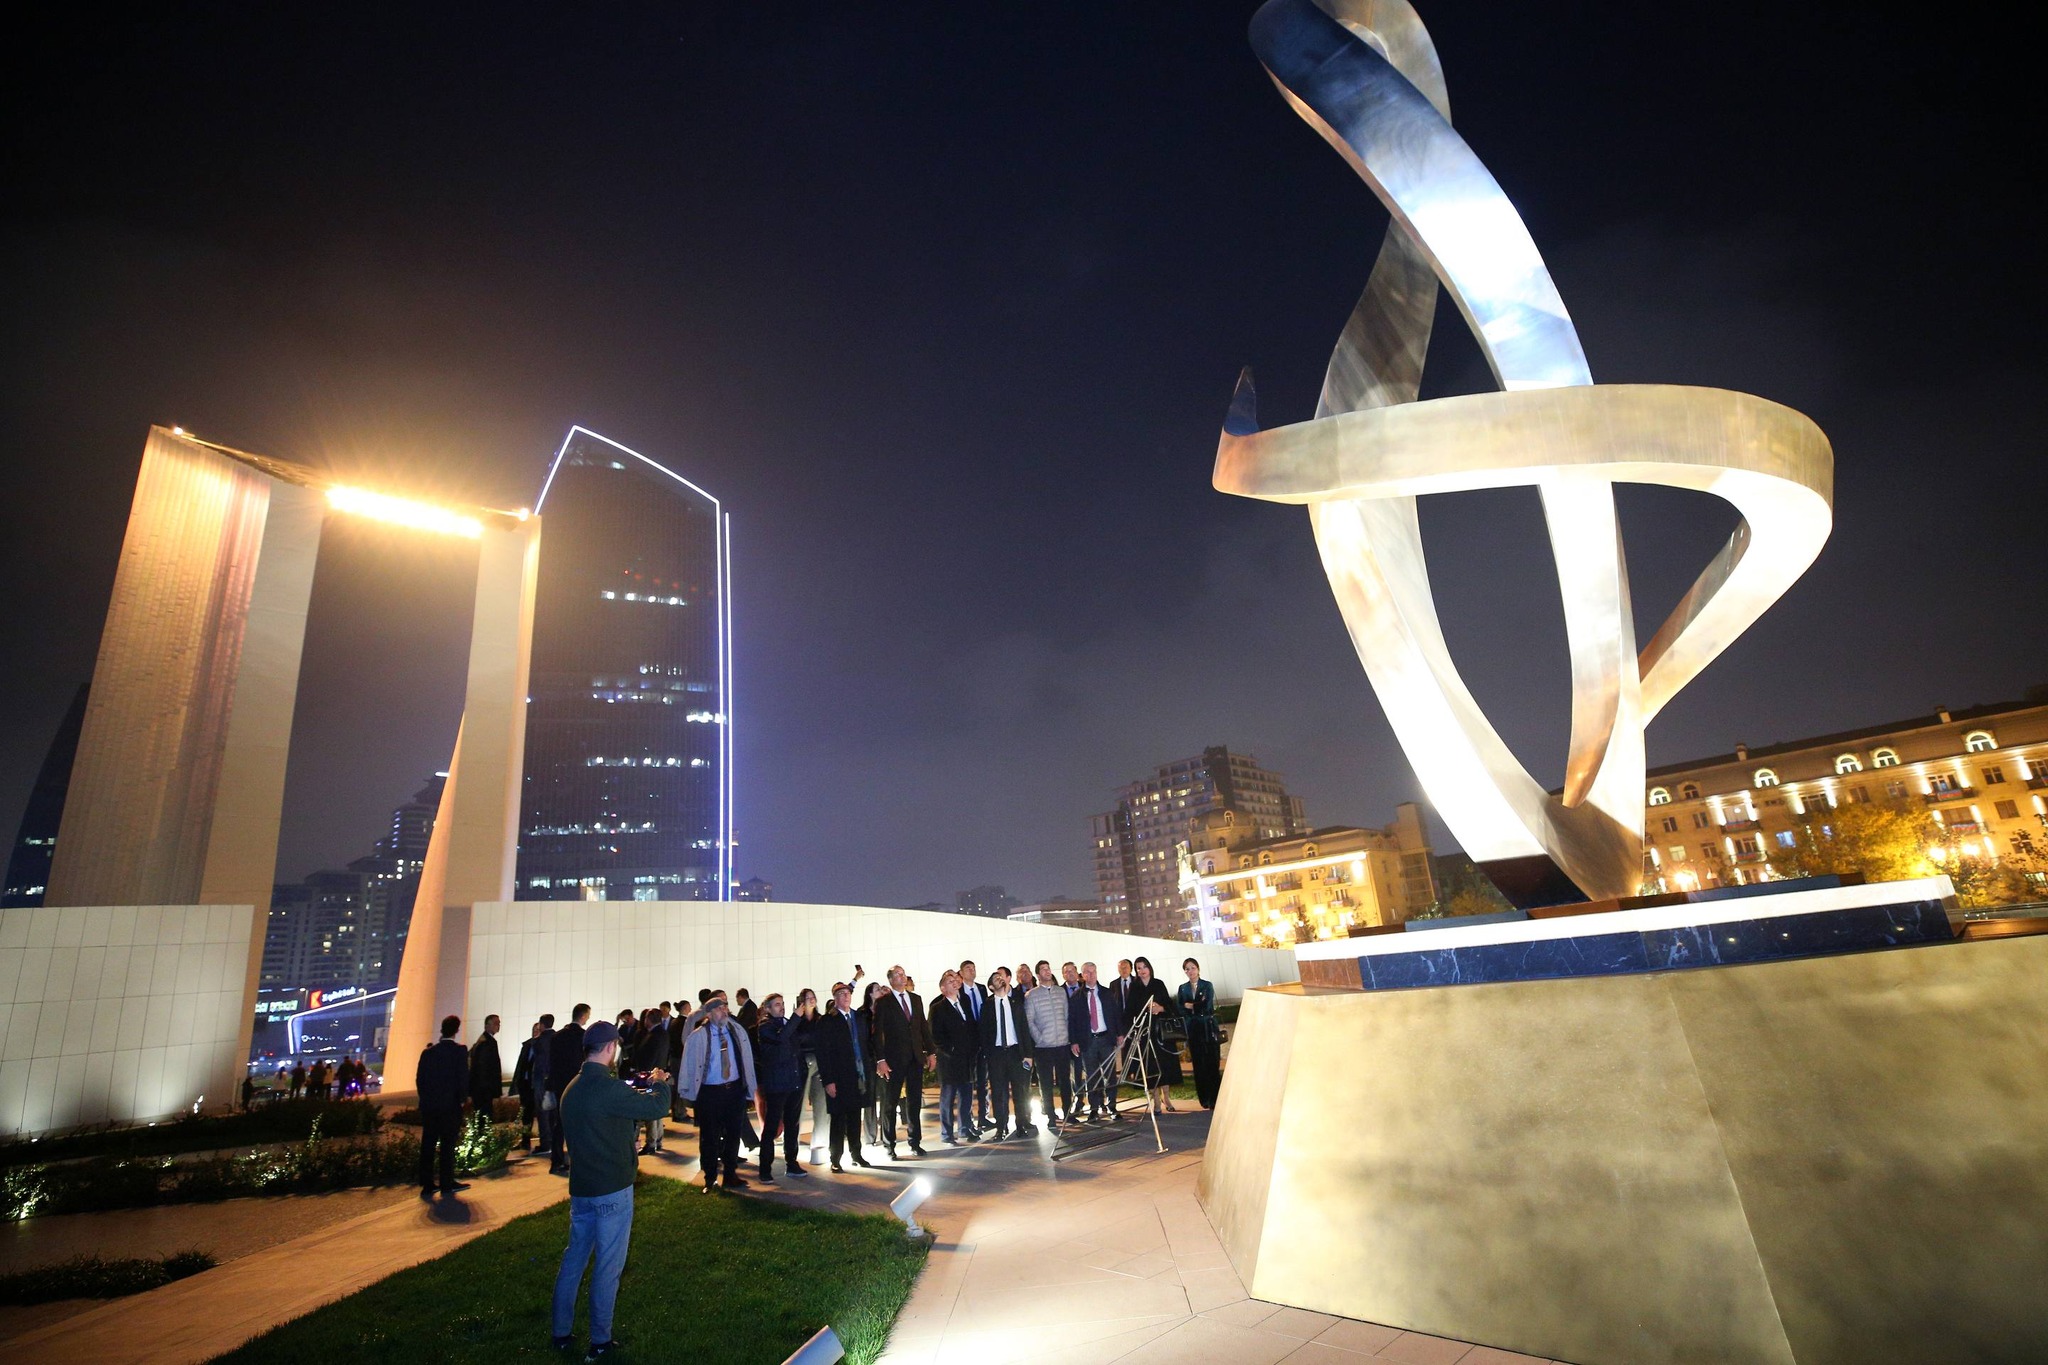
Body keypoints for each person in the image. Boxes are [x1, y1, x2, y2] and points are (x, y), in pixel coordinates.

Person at [551, 1020, 671, 1359]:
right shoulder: (608, 1087)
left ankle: (561, 1331)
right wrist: (660, 1083)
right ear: (609, 1048)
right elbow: (656, 1107)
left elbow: (606, 1118)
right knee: (608, 1266)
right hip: (612, 1190)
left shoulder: (572, 1089)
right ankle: (600, 1340)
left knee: (574, 1259)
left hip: (583, 1190)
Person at [679, 996, 757, 1191]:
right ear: (709, 1013)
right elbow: (689, 1065)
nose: (724, 1011)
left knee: (733, 1135)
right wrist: (689, 1091)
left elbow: (746, 1058)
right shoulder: (698, 1036)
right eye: (719, 1008)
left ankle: (730, 1175)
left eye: (725, 1007)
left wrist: (748, 1087)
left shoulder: (736, 1031)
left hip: (734, 1090)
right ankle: (710, 1177)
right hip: (710, 1093)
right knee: (710, 1137)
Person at [872, 965, 933, 1158]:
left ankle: (915, 1142)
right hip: (893, 1059)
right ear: (890, 980)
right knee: (890, 1103)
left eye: (903, 973)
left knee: (914, 1102)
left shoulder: (915, 999)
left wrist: (931, 1052)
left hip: (915, 1057)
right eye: (897, 974)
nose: (902, 976)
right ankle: (889, 1144)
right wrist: (880, 1059)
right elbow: (877, 1033)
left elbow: (923, 1027)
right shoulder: (883, 1002)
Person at [813, 983, 874, 1172]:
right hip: (838, 1077)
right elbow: (823, 1053)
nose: (846, 996)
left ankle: (856, 1153)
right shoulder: (827, 1021)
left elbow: (866, 1044)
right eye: (841, 994)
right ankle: (835, 1158)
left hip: (858, 1075)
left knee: (855, 1116)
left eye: (848, 993)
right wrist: (828, 1080)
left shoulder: (858, 1017)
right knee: (838, 1119)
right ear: (835, 998)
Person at [751, 993, 808, 1181]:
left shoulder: (786, 1023)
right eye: (777, 1004)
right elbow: (780, 1038)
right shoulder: (765, 1026)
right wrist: (796, 1018)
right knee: (771, 1126)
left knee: (793, 1125)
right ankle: (765, 1168)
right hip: (777, 1084)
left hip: (793, 1082)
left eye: (782, 1004)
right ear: (767, 1008)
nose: (781, 1007)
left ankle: (792, 1163)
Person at [416, 1014, 471, 1198]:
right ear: (456, 1030)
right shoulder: (459, 1051)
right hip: (450, 1106)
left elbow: (420, 1080)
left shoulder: (428, 1053)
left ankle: (427, 1184)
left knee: (428, 1144)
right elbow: (462, 1078)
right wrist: (462, 1099)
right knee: (448, 1145)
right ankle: (447, 1183)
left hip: (430, 1107)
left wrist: (425, 1099)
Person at [979, 967, 1035, 1137]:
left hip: (1016, 1052)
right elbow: (984, 1032)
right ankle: (1001, 1126)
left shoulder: (1016, 1003)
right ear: (991, 986)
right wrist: (988, 1054)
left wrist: (1028, 1055)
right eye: (996, 979)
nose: (1000, 979)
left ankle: (1021, 1124)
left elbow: (1024, 1029)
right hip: (996, 1054)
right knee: (998, 1092)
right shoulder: (987, 1006)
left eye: (1001, 977)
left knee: (1020, 1091)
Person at [929, 970, 978, 1144]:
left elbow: (971, 1026)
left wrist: (974, 1048)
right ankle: (947, 1133)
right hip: (949, 1061)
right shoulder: (937, 1008)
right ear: (943, 988)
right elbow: (936, 1036)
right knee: (948, 1098)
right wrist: (952, 1050)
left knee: (966, 1097)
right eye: (950, 982)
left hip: (966, 1059)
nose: (955, 983)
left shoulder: (964, 1002)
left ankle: (965, 1129)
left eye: (955, 980)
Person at [1128, 956, 1183, 1111]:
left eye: (1144, 967)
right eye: (1138, 968)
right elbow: (1130, 1009)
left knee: (1164, 1066)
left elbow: (1170, 1005)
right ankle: (1157, 1101)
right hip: (1145, 1032)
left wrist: (1161, 1008)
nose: (1142, 970)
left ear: (1149, 968)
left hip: (1161, 1032)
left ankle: (1167, 1098)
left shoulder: (1158, 983)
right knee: (1150, 1068)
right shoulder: (1134, 986)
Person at [1068, 962, 1121, 1122]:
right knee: (1092, 1077)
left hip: (1106, 1039)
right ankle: (1094, 1109)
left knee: (1110, 1075)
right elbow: (1072, 1021)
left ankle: (1112, 1106)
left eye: (1093, 972)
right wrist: (1074, 1041)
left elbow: (1116, 1014)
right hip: (1088, 1041)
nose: (1091, 975)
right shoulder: (1077, 996)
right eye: (1087, 972)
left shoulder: (1107, 993)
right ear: (1082, 975)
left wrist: (1120, 1034)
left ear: (1097, 973)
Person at [1024, 963, 1072, 1129]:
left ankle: (1068, 1112)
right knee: (1046, 1083)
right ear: (1038, 975)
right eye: (1043, 969)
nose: (1047, 971)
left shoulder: (1061, 992)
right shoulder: (1031, 995)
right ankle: (1051, 1116)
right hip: (1043, 1047)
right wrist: (1040, 1038)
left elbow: (1066, 1015)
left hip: (1062, 1044)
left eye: (1049, 968)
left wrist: (1066, 1035)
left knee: (1065, 1081)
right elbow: (1029, 1021)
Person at [547, 1005, 590, 1175]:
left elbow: (551, 1063)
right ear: (583, 1016)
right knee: (579, 1124)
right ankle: (577, 1160)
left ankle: (556, 1161)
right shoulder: (583, 1036)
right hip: (577, 1085)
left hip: (560, 1086)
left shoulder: (557, 1037)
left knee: (559, 1124)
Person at [1178, 958, 1223, 1109]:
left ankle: (1216, 1098)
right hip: (1193, 1030)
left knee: (1212, 1064)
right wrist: (1195, 1005)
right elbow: (1180, 1008)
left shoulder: (1207, 985)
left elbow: (1207, 1006)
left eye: (1193, 968)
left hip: (1208, 1029)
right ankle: (1204, 1099)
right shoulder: (1183, 988)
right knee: (1198, 1065)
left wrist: (1190, 1005)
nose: (1190, 971)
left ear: (1198, 969)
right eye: (1187, 969)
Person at [793, 988, 829, 1163]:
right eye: (808, 998)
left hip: (820, 1061)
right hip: (803, 1061)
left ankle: (820, 1144)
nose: (811, 1000)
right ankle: (792, 1142)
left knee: (821, 1105)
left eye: (813, 997)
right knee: (798, 1105)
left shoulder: (820, 1020)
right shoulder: (797, 1021)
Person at [957, 960, 992, 1132]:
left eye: (973, 968)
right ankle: (967, 1121)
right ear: (961, 973)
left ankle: (983, 1116)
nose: (971, 971)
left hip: (983, 1040)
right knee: (968, 1082)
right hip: (968, 1043)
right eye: (968, 968)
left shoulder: (982, 989)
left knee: (983, 1081)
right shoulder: (958, 991)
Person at [630, 1008, 670, 1154]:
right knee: (657, 1111)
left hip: (649, 1076)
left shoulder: (653, 1036)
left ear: (649, 1019)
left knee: (651, 1111)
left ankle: (651, 1142)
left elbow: (648, 1057)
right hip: (658, 1074)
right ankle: (657, 1139)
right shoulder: (663, 1033)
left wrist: (644, 1075)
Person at [855, 981, 890, 1150]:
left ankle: (886, 1133)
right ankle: (870, 1135)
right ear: (870, 994)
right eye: (877, 990)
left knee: (885, 1097)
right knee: (869, 1099)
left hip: (884, 1058)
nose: (880, 992)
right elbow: (863, 1039)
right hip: (869, 1059)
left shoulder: (885, 1010)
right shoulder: (862, 1013)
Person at [512, 1020, 544, 1149]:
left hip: (536, 1085)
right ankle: (525, 1141)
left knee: (540, 1114)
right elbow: (521, 1065)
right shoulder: (527, 1045)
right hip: (525, 1084)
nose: (535, 1033)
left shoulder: (542, 1046)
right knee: (526, 1114)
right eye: (534, 1030)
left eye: (538, 1030)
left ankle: (543, 1141)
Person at [533, 1013, 560, 1161]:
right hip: (555, 1079)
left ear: (541, 1025)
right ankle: (555, 1142)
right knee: (554, 1113)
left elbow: (539, 1063)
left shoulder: (539, 1041)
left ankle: (545, 1143)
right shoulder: (558, 1038)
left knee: (542, 1112)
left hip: (542, 1080)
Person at [469, 1014, 503, 1116]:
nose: (498, 1025)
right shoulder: (486, 1043)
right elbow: (484, 1067)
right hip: (484, 1089)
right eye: (496, 1023)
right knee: (485, 1115)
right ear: (487, 1025)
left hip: (481, 1088)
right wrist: (491, 1087)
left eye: (499, 1023)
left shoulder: (485, 1040)